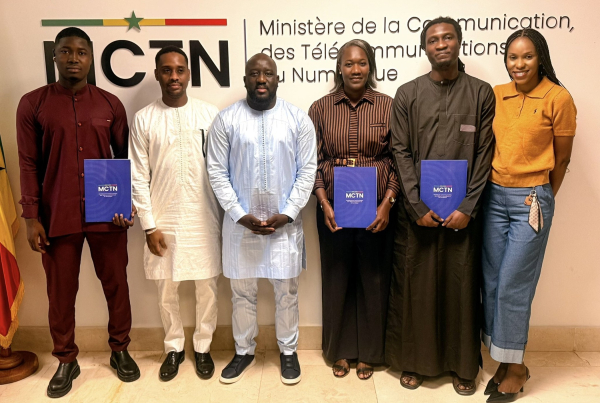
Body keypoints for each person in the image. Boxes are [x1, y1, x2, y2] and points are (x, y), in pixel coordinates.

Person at [16, 27, 139, 398]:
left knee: (116, 285)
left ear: (90, 57)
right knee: (60, 293)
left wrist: (124, 205)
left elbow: (125, 160)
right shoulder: (33, 104)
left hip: (107, 214)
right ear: (54, 56)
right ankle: (66, 359)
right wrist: (31, 217)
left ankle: (120, 349)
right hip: (57, 214)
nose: (73, 58)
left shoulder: (110, 104)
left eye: (81, 52)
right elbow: (28, 163)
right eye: (66, 51)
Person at [385, 17, 495, 395]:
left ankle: (463, 366)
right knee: (417, 286)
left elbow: (485, 152)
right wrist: (416, 206)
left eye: (448, 37)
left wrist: (469, 206)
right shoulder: (408, 94)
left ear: (459, 42)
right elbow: (399, 150)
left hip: (464, 214)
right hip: (419, 214)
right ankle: (415, 362)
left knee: (460, 287)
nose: (441, 44)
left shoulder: (480, 93)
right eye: (433, 40)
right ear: (425, 48)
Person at [206, 53, 316, 385]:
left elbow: (307, 171)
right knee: (242, 294)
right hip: (241, 226)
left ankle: (288, 352)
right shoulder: (226, 120)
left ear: (277, 79)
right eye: (254, 73)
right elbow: (216, 172)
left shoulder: (297, 119)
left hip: (285, 226)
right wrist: (239, 215)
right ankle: (243, 351)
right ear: (245, 80)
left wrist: (289, 213)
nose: (261, 79)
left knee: (287, 292)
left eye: (268, 73)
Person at [481, 28, 576, 403]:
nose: (518, 64)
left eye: (527, 56)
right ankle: (505, 360)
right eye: (512, 57)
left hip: (531, 200)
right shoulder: (497, 94)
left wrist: (542, 196)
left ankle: (517, 369)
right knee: (491, 282)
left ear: (541, 59)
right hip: (493, 197)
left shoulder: (558, 97)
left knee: (513, 284)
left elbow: (562, 159)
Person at [129, 46, 222, 382]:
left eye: (180, 70)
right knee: (166, 288)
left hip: (204, 216)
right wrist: (148, 225)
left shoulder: (209, 114)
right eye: (166, 70)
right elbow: (138, 175)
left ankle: (203, 346)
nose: (174, 77)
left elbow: (222, 169)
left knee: (207, 286)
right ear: (157, 74)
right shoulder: (144, 118)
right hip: (163, 218)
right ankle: (174, 347)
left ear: (189, 75)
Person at [308, 39, 399, 380]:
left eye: (362, 63)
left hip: (377, 209)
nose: (355, 69)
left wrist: (387, 203)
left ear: (370, 67)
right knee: (337, 276)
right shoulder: (320, 108)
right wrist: (323, 202)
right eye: (349, 63)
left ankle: (370, 353)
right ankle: (340, 350)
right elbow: (312, 161)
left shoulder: (388, 106)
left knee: (373, 278)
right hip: (333, 208)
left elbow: (398, 159)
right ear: (339, 68)